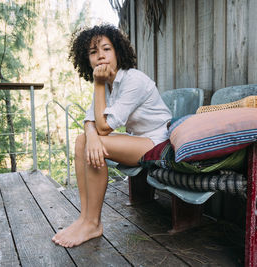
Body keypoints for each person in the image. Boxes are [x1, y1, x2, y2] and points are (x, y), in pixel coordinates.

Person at [51, 24, 172, 248]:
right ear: (86, 59)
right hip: (139, 140)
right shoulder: (107, 84)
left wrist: (97, 86)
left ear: (118, 52)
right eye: (93, 52)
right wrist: (91, 135)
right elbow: (90, 121)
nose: (101, 56)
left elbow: (104, 127)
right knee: (82, 141)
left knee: (97, 142)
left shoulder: (132, 79)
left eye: (106, 49)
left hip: (160, 143)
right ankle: (85, 218)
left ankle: (93, 223)